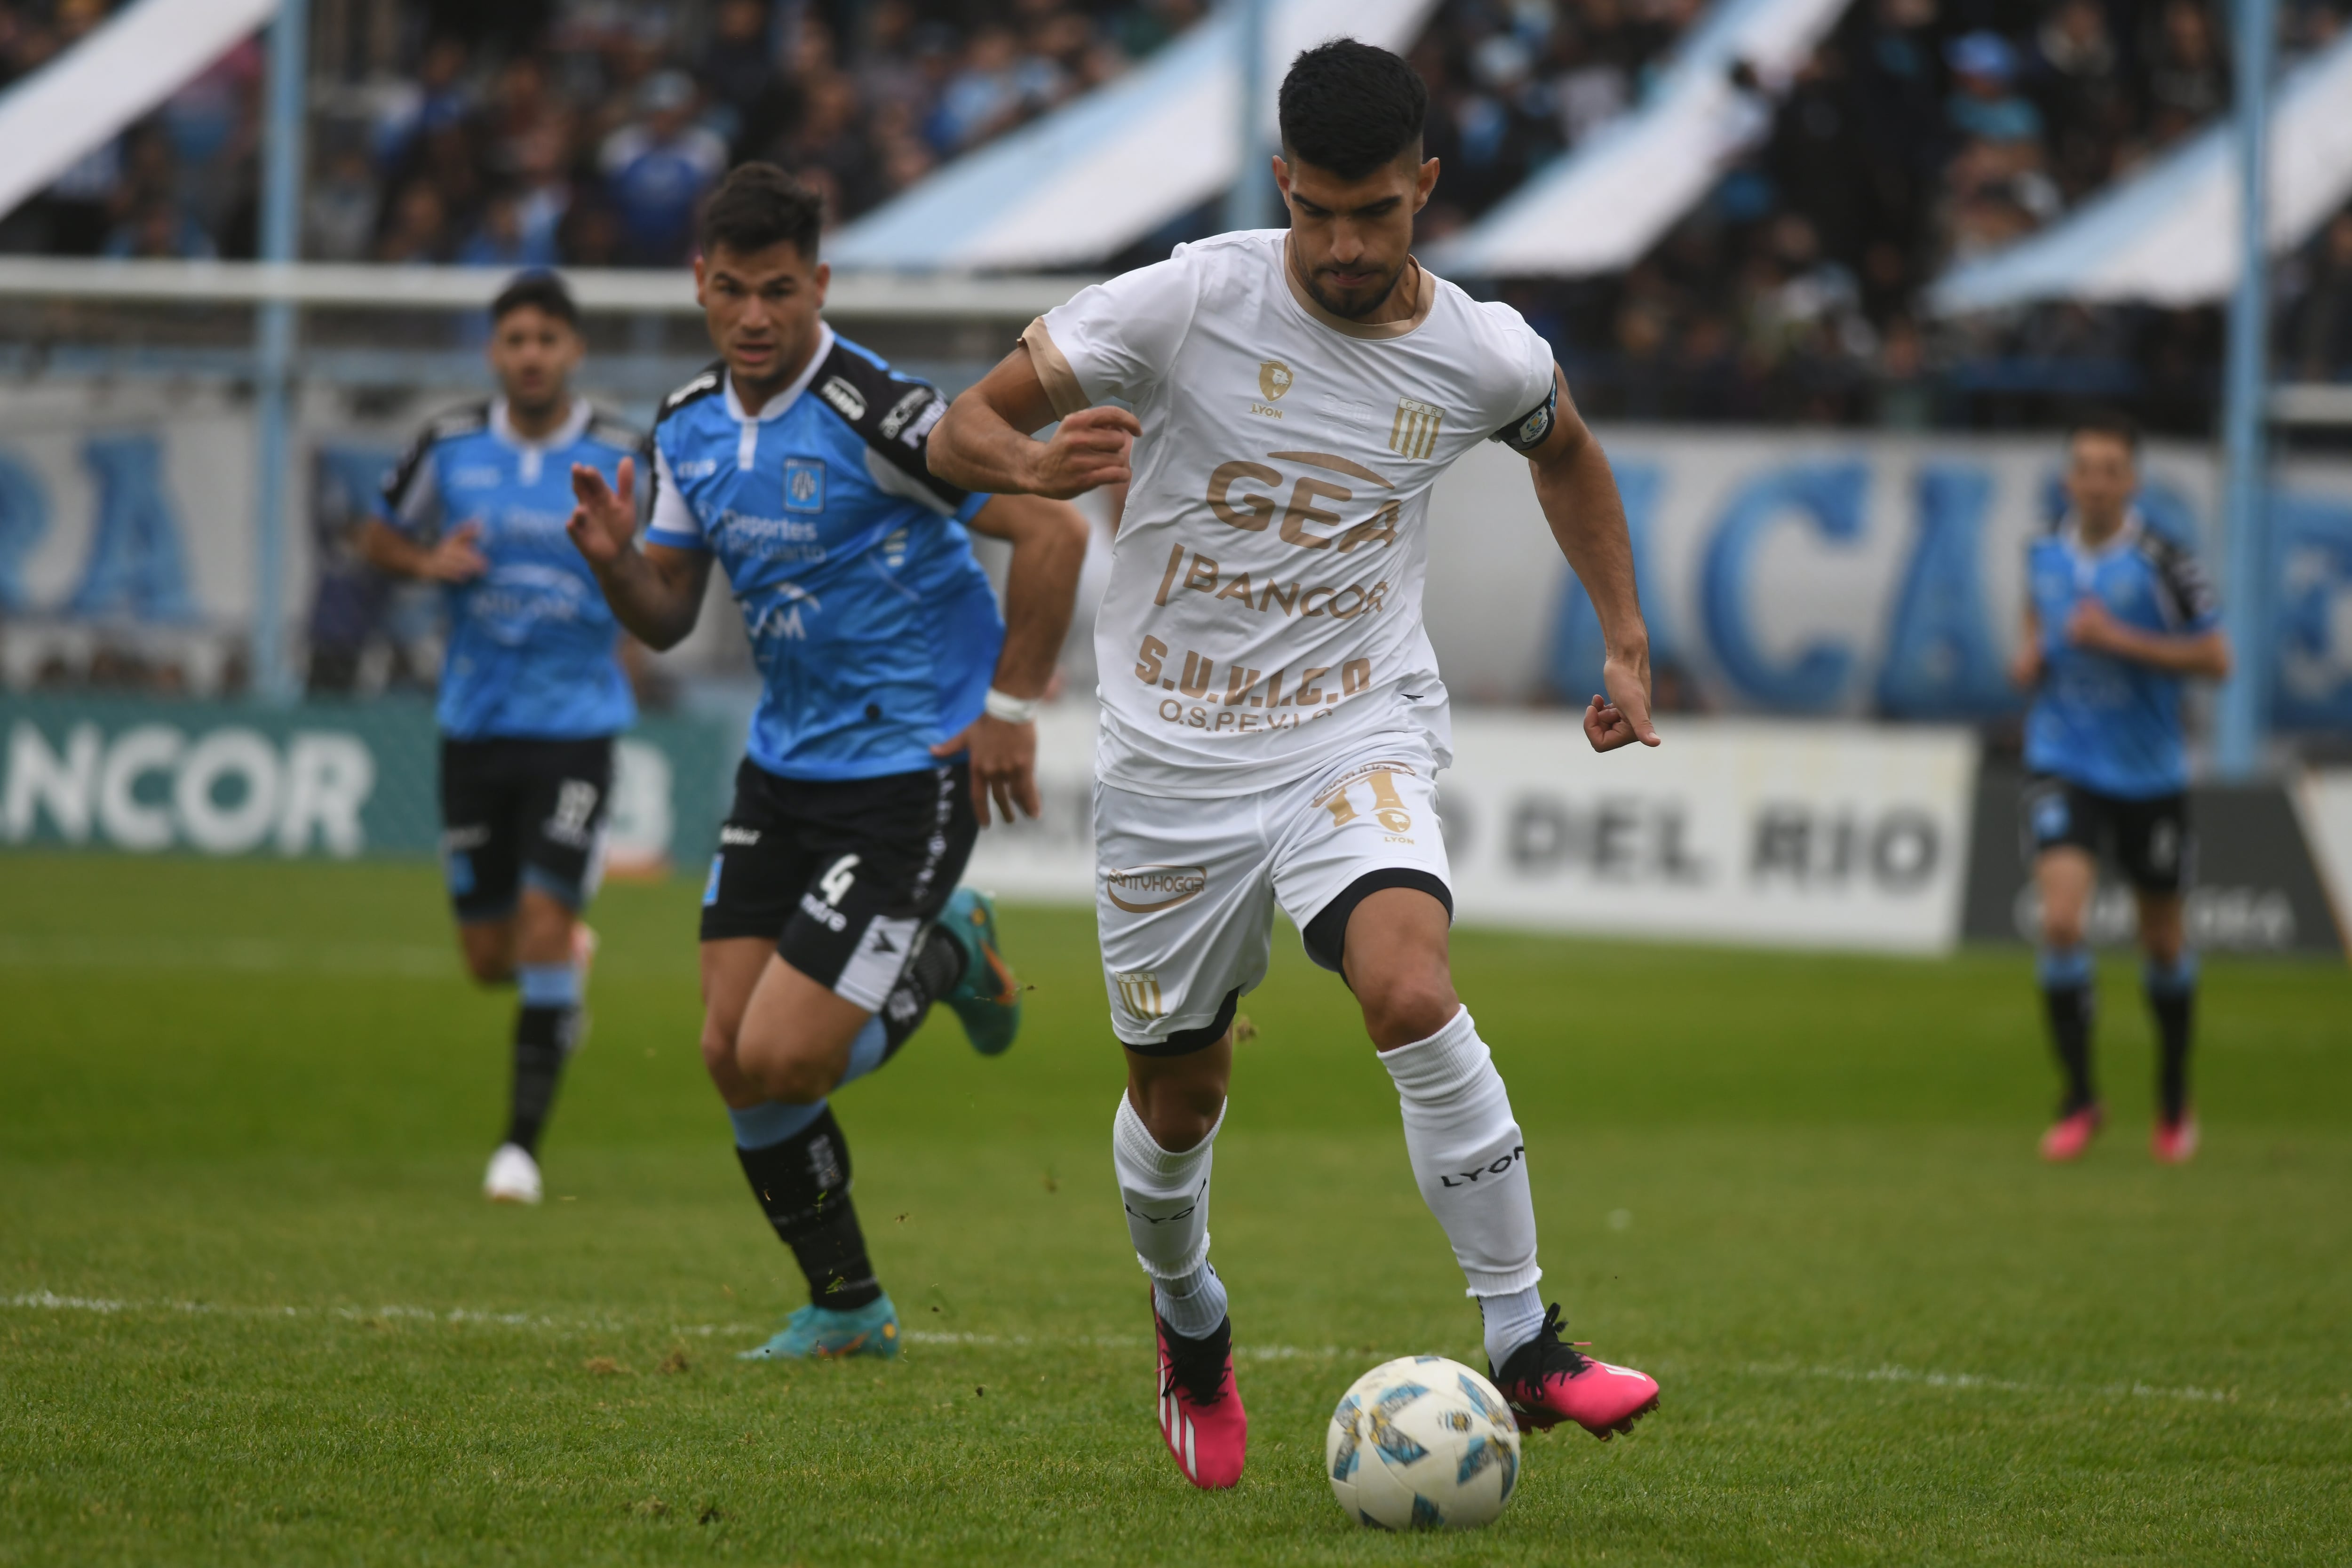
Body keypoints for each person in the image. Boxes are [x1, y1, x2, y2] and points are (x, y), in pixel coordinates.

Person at [928, 39, 1664, 1490]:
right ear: (1283, 185)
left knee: (1409, 982)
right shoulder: (1188, 296)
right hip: (1169, 767)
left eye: (1374, 214)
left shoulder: (1483, 353)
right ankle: (1191, 1326)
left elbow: (1565, 449)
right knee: (1177, 1098)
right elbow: (965, 424)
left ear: (1425, 192)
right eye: (1318, 210)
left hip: (1352, 726)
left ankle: (1524, 1333)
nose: (1341, 245)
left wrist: (1626, 640)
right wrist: (1031, 472)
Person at [564, 163, 1091, 1361]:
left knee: (790, 1050)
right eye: (734, 292)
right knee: (728, 1056)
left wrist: (1011, 703)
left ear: (821, 286)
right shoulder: (688, 423)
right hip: (784, 769)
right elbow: (663, 614)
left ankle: (953, 949)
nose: (756, 317)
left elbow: (1053, 529)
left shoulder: (880, 413)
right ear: (700, 286)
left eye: (782, 292)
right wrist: (609, 560)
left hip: (911, 769)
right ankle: (849, 1305)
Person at [360, 271, 639, 1206]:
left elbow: (662, 560)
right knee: (490, 960)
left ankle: (519, 1149)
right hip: (475, 723)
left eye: (547, 340)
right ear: (494, 351)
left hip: (577, 726)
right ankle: (568, 961)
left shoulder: (618, 448)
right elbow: (374, 532)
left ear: (574, 352)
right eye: (515, 339)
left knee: (542, 922)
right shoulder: (448, 443)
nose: (531, 355)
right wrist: (422, 557)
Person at [2011, 412, 2230, 1165]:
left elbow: (2218, 659)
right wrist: (2031, 653)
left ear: (2132, 480)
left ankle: (2172, 1096)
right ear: (2069, 477)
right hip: (2062, 757)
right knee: (2063, 922)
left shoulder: (2165, 561)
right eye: (2086, 467)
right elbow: (2036, 617)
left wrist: (2122, 642)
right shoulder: (2042, 545)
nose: (2097, 481)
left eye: (2111, 469)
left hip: (2149, 772)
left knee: (2162, 940)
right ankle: (2080, 1098)